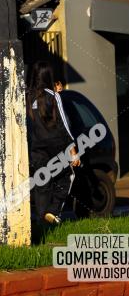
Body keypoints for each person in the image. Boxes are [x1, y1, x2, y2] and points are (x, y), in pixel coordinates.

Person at [25, 61, 80, 224]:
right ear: (49, 77)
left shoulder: (28, 97)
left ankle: (42, 220)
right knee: (66, 176)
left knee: (42, 182)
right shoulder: (54, 96)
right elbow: (63, 124)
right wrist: (73, 151)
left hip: (37, 146)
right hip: (57, 145)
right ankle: (53, 211)